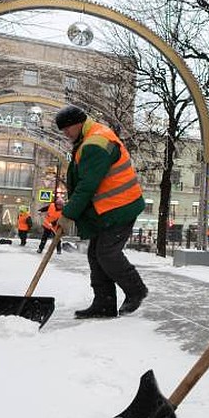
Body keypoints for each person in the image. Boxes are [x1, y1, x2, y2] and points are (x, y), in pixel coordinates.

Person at [54, 105, 149, 318]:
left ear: (78, 124)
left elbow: (87, 185)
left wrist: (68, 214)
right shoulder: (88, 139)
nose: (66, 134)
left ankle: (136, 290)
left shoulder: (95, 143)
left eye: (67, 129)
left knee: (107, 254)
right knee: (96, 256)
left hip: (120, 208)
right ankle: (104, 304)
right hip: (107, 209)